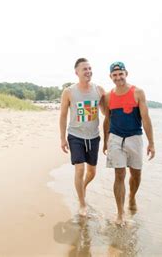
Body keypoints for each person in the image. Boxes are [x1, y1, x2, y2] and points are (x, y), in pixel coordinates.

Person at [102, 61, 155, 225]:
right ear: (110, 77)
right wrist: (105, 142)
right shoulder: (108, 96)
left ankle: (132, 197)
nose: (118, 78)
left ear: (126, 74)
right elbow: (107, 120)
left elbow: (145, 118)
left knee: (136, 174)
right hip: (116, 138)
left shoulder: (138, 92)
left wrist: (151, 143)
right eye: (115, 75)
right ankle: (120, 213)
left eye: (121, 74)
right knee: (119, 174)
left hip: (135, 138)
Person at [60, 58, 105, 217]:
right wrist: (62, 138)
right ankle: (82, 202)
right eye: (84, 69)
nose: (88, 71)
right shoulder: (69, 92)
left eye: (90, 68)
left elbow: (107, 113)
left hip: (93, 137)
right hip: (75, 135)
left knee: (92, 172)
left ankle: (82, 188)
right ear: (77, 72)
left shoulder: (99, 90)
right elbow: (63, 115)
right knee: (80, 169)